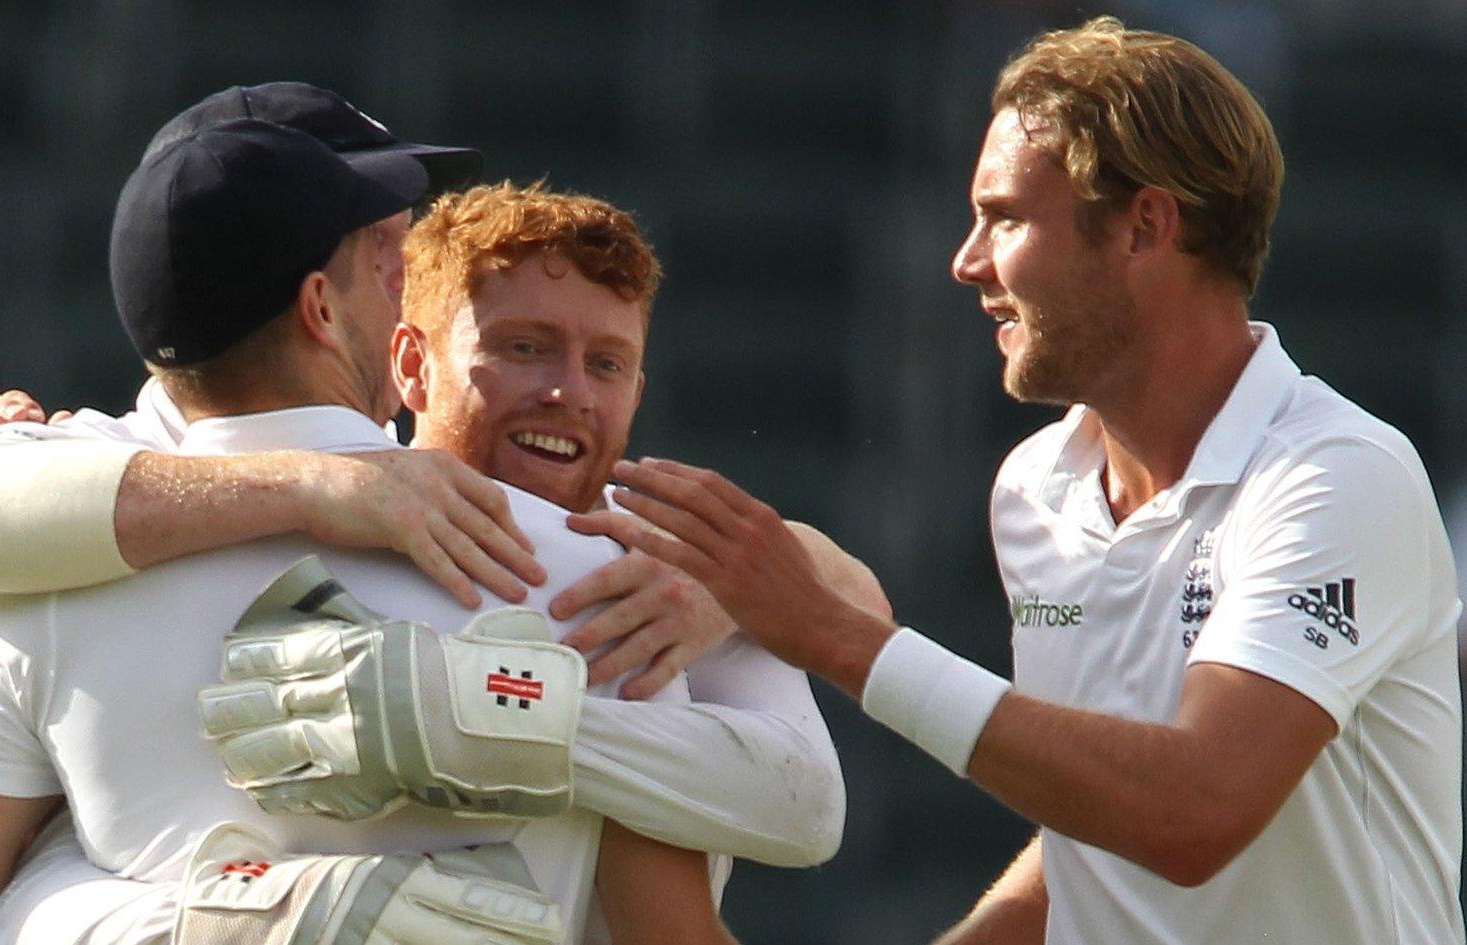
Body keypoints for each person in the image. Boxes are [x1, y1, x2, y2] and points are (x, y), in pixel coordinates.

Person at [569, 16, 1465, 945]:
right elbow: (1097, 824)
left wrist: (840, 636)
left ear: (1144, 227)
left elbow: (1192, 812)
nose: (967, 261)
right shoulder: (1034, 487)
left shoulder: (1338, 476)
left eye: (1003, 217)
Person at [0, 119, 722, 945]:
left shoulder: (42, 585)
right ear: (319, 305)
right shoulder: (593, 579)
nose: (401, 273)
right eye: (378, 259)